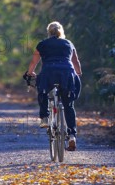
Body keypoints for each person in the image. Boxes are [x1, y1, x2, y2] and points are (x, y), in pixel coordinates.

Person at [25, 21, 82, 151]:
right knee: (68, 104)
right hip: (66, 73)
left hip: (48, 73)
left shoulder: (42, 44)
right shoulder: (68, 43)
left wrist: (30, 72)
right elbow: (76, 61)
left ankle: (44, 117)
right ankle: (72, 135)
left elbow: (34, 61)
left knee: (43, 91)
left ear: (48, 32)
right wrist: (78, 72)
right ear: (61, 31)